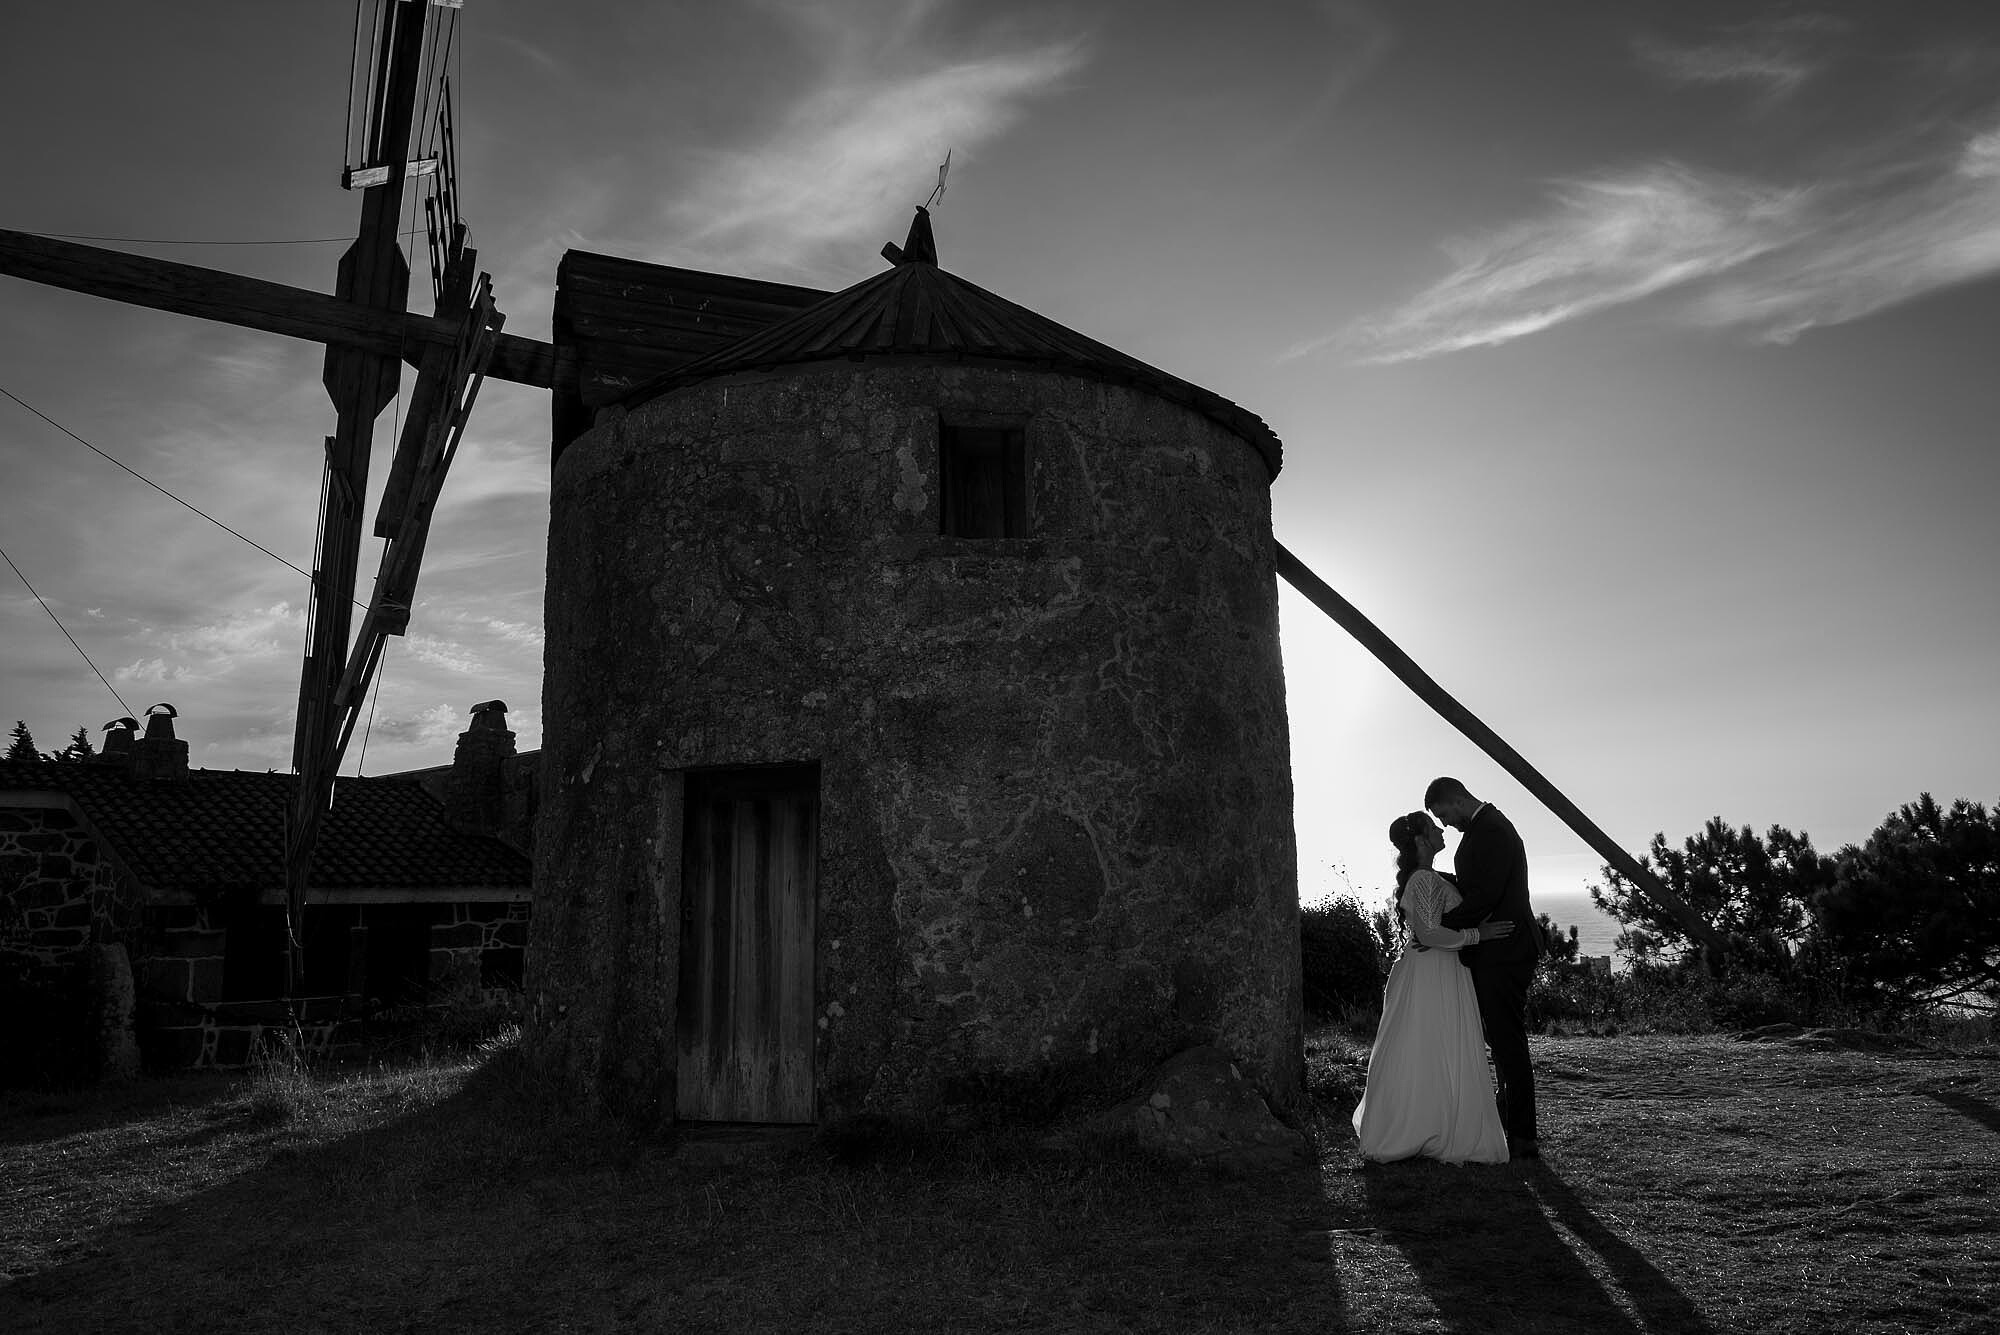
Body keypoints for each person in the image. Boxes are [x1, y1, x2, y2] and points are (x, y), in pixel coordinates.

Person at [1352, 811, 1513, 1165]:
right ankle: (1423, 1126)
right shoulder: (1422, 881)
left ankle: (1435, 1121)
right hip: (1431, 969)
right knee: (1429, 1043)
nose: (1441, 830)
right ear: (1422, 841)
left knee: (1436, 1044)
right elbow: (1428, 933)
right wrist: (1477, 935)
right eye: (1433, 827)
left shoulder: (1428, 877)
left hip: (1441, 967)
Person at [1426, 776, 1544, 1159]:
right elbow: (1477, 884)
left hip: (1505, 948)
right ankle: (1509, 1118)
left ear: (1458, 800)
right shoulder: (1486, 828)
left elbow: (1486, 894)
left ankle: (1523, 1135)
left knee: (1507, 1039)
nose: (1446, 824)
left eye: (1445, 814)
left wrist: (1441, 927)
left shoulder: (1491, 830)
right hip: (1499, 948)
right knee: (1501, 1037)